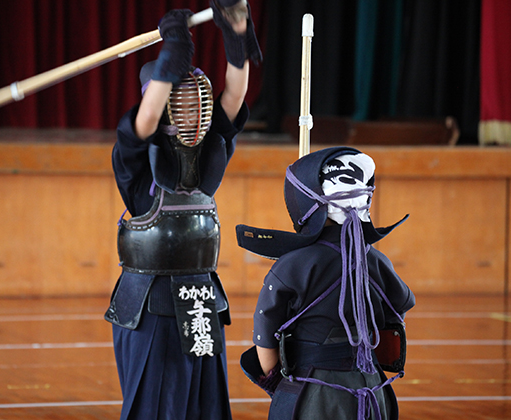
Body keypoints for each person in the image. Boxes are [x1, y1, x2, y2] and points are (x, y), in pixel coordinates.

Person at [104, 1, 261, 419]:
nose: (192, 110)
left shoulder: (210, 153)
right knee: (155, 407)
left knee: (204, 406)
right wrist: (172, 52)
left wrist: (236, 34)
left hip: (201, 301)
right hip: (150, 306)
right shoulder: (137, 166)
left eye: (197, 100)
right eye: (181, 99)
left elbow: (235, 93)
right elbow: (146, 117)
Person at [237, 147, 415, 420]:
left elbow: (265, 331)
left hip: (313, 395)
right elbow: (396, 315)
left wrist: (279, 384)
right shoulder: (378, 260)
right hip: (372, 390)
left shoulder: (292, 265)